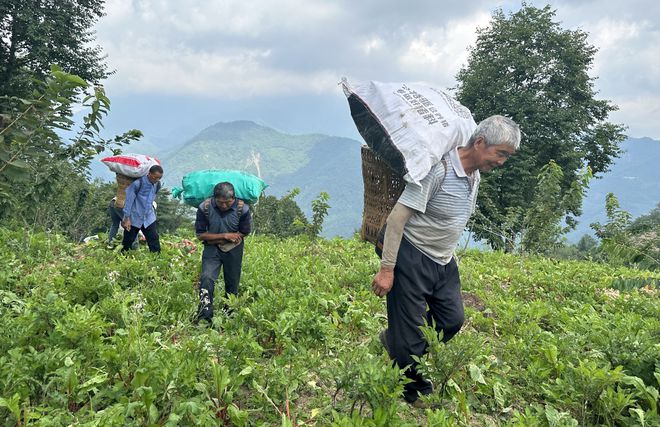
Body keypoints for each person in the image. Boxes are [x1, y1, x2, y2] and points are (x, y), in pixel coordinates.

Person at [371, 115, 521, 406]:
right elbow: (397, 219)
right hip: (411, 255)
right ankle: (412, 390)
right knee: (412, 332)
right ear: (479, 143)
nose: (501, 162)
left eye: (506, 156)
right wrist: (387, 269)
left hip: (443, 261)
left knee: (451, 320)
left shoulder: (474, 175)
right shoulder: (436, 171)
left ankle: (396, 341)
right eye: (500, 153)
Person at [195, 182, 252, 324]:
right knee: (207, 278)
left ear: (233, 198)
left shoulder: (242, 209)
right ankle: (204, 316)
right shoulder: (205, 208)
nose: (224, 205)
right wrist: (224, 236)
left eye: (227, 202)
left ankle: (230, 315)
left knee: (232, 282)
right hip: (211, 248)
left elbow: (245, 231)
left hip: (234, 249)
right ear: (214, 199)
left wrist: (233, 238)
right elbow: (201, 235)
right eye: (221, 202)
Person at [121, 165, 163, 253]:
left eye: (159, 178)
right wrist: (126, 218)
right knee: (128, 241)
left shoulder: (157, 184)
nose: (157, 180)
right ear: (149, 174)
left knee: (154, 239)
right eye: (155, 177)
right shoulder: (137, 184)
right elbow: (129, 201)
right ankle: (123, 258)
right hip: (134, 217)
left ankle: (156, 260)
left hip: (148, 217)